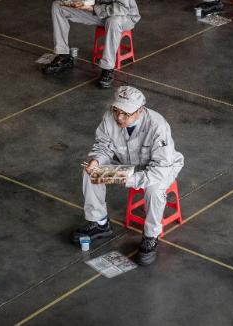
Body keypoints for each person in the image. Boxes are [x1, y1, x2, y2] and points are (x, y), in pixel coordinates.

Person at [72, 86, 184, 266]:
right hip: (129, 164)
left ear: (140, 111)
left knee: (154, 191)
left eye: (126, 114)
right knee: (91, 174)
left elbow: (160, 169)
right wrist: (97, 161)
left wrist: (130, 180)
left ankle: (150, 237)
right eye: (116, 111)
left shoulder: (158, 126)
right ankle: (100, 223)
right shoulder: (110, 118)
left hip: (160, 168)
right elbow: (104, 145)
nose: (119, 117)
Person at [41, 0, 140, 89]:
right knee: (57, 6)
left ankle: (107, 69)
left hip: (124, 17)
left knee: (114, 20)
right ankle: (63, 56)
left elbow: (123, 8)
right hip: (96, 12)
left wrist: (93, 8)